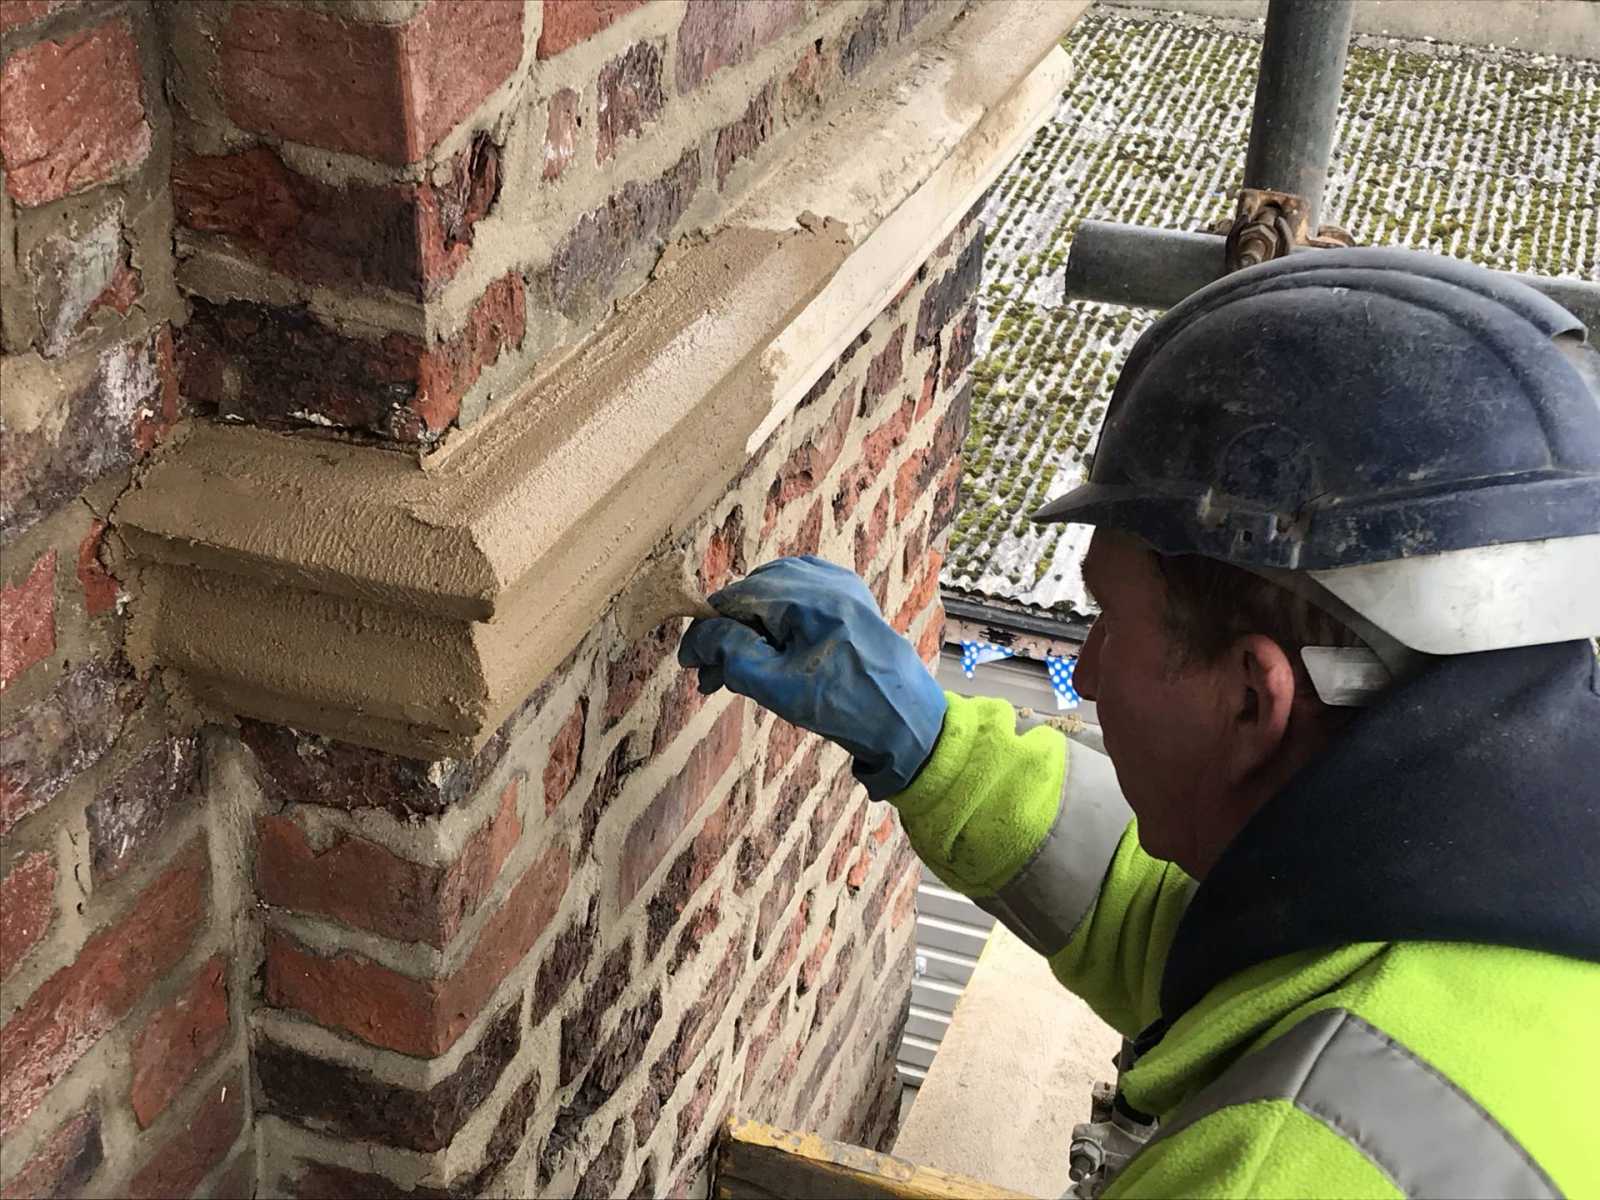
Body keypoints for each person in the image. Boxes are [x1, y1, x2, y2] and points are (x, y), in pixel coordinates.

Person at [680, 249, 1600, 1198]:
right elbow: (1188, 932)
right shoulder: (1492, 878)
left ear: (1252, 698)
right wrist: (925, 741)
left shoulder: (1281, 1166)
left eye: (1108, 621)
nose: (1083, 666)